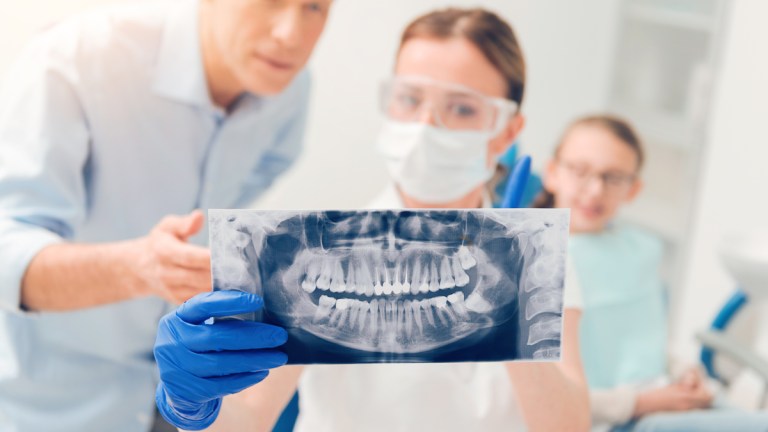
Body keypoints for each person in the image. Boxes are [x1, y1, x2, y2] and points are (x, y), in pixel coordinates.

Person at [153, 8, 590, 431]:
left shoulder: (542, 258)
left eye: (461, 109)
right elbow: (248, 419)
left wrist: (515, 298)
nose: (424, 126)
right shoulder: (305, 249)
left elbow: (569, 427)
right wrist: (192, 404)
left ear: (509, 131)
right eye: (409, 98)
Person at [0, 0, 333, 430]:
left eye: (315, 7)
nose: (291, 34)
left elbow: (256, 181)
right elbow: (6, 253)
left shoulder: (288, 90)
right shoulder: (78, 58)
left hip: (178, 400)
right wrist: (139, 268)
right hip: (48, 404)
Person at [534, 114, 768, 432]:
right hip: (619, 419)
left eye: (613, 177)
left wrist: (686, 371)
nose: (595, 189)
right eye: (580, 171)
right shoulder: (533, 260)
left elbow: (644, 343)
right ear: (552, 173)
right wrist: (644, 402)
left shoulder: (638, 250)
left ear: (633, 188)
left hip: (669, 398)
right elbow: (543, 398)